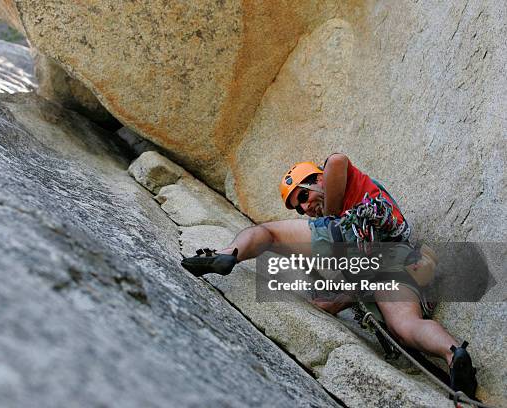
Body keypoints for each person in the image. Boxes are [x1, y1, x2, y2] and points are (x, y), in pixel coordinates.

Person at [182, 153, 478, 399]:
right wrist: (336, 304)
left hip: (353, 235)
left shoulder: (337, 180)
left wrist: (334, 214)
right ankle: (453, 354)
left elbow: (338, 160)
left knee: (269, 234)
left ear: (319, 179)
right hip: (396, 261)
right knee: (405, 325)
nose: (304, 207)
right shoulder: (350, 206)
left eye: (304, 195)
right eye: (299, 206)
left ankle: (227, 252)